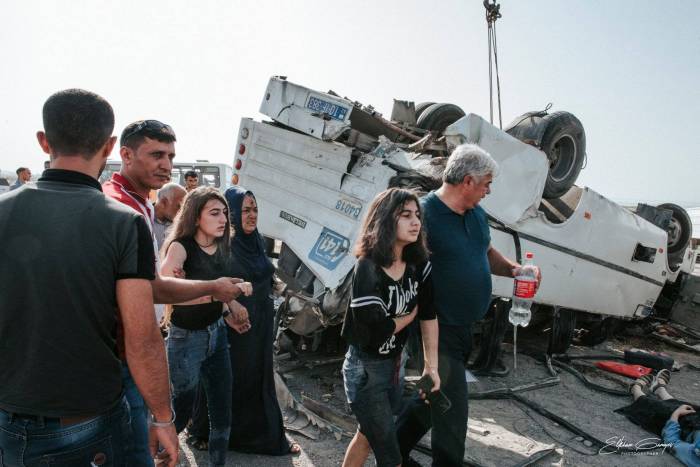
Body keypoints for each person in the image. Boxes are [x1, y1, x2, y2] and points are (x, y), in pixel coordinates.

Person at [0, 89, 178, 466]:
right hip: (85, 421)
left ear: (44, 141)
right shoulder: (122, 222)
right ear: (111, 145)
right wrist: (162, 416)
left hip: (8, 413)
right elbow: (141, 335)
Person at [104, 120, 246, 466]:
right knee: (159, 427)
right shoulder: (123, 208)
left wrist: (226, 304)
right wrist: (218, 291)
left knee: (215, 407)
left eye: (170, 156)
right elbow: (155, 288)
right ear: (124, 154)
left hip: (196, 337)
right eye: (156, 155)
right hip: (139, 344)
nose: (166, 165)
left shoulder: (141, 205)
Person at [396, 144, 541, 467]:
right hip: (432, 330)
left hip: (463, 329)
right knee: (452, 413)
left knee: (431, 400)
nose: (489, 190)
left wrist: (515, 270)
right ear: (468, 181)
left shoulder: (476, 215)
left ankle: (391, 450)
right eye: (487, 183)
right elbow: (395, 267)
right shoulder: (422, 214)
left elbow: (484, 252)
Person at [188, 187, 301, 455]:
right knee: (224, 379)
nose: (252, 215)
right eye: (245, 210)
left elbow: (264, 275)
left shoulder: (259, 242)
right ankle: (206, 430)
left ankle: (258, 435)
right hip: (231, 325)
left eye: (255, 209)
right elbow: (207, 281)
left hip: (260, 323)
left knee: (255, 377)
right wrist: (229, 307)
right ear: (233, 213)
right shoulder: (221, 244)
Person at [341, 187, 440, 467]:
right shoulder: (368, 267)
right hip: (365, 371)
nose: (416, 222)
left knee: (366, 436)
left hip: (395, 364)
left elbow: (430, 315)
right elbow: (376, 331)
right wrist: (409, 316)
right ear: (385, 219)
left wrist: (430, 367)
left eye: (417, 215)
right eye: (405, 215)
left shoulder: (419, 264)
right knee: (391, 456)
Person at [160, 187, 253, 466]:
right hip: (186, 340)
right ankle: (157, 457)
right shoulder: (181, 247)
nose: (223, 218)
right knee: (180, 411)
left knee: (222, 408)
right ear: (195, 216)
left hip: (217, 335)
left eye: (225, 212)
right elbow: (167, 289)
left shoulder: (221, 247)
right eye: (214, 213)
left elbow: (219, 291)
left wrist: (230, 308)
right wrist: (220, 294)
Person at [617, 370, 700, 466]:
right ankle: (660, 389)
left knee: (657, 410)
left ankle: (635, 389)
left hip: (686, 427)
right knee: (687, 407)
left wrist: (676, 414)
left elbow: (672, 442)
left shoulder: (696, 457)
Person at [154, 182, 187, 248]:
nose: (182, 211)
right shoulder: (143, 220)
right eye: (179, 206)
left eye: (184, 208)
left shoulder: (181, 225)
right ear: (164, 202)